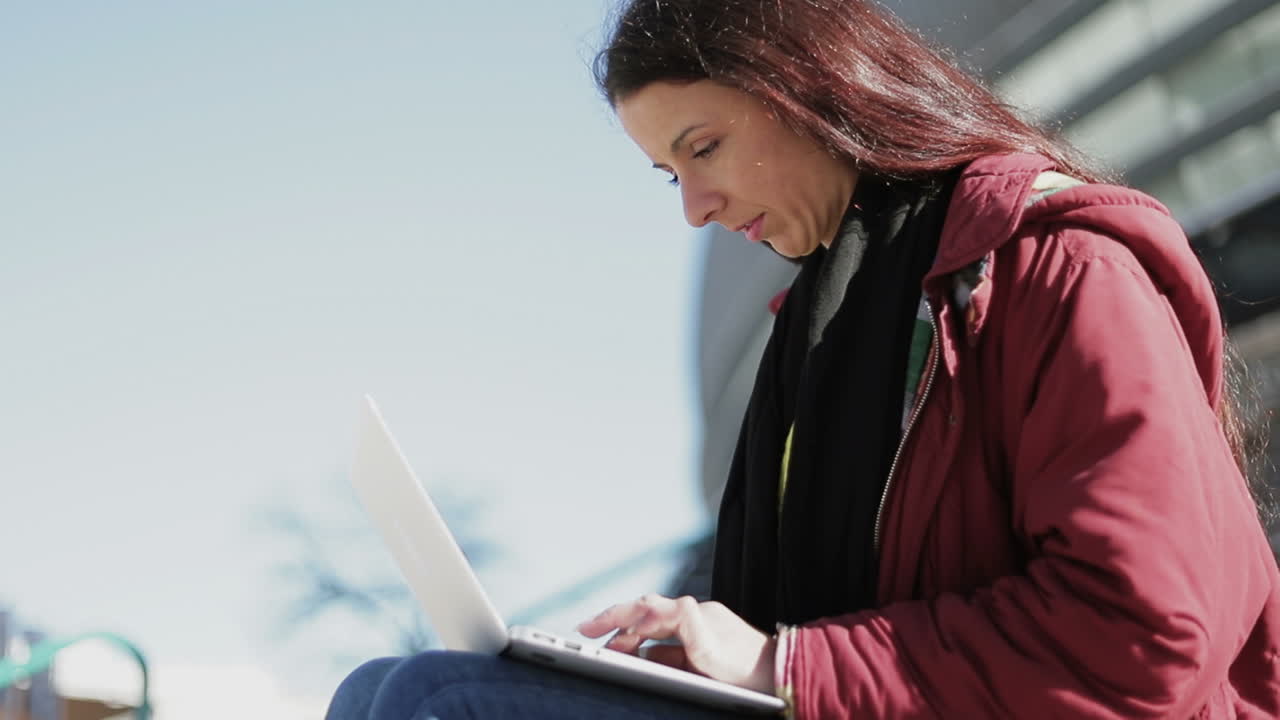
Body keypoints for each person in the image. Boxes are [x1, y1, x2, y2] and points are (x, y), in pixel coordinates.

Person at [326, 0, 1280, 717]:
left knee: (437, 703)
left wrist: (782, 665)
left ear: (815, 90)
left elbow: (1146, 634)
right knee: (385, 688)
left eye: (705, 148)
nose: (693, 207)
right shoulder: (820, 334)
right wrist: (693, 652)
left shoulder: (1061, 270)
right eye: (670, 171)